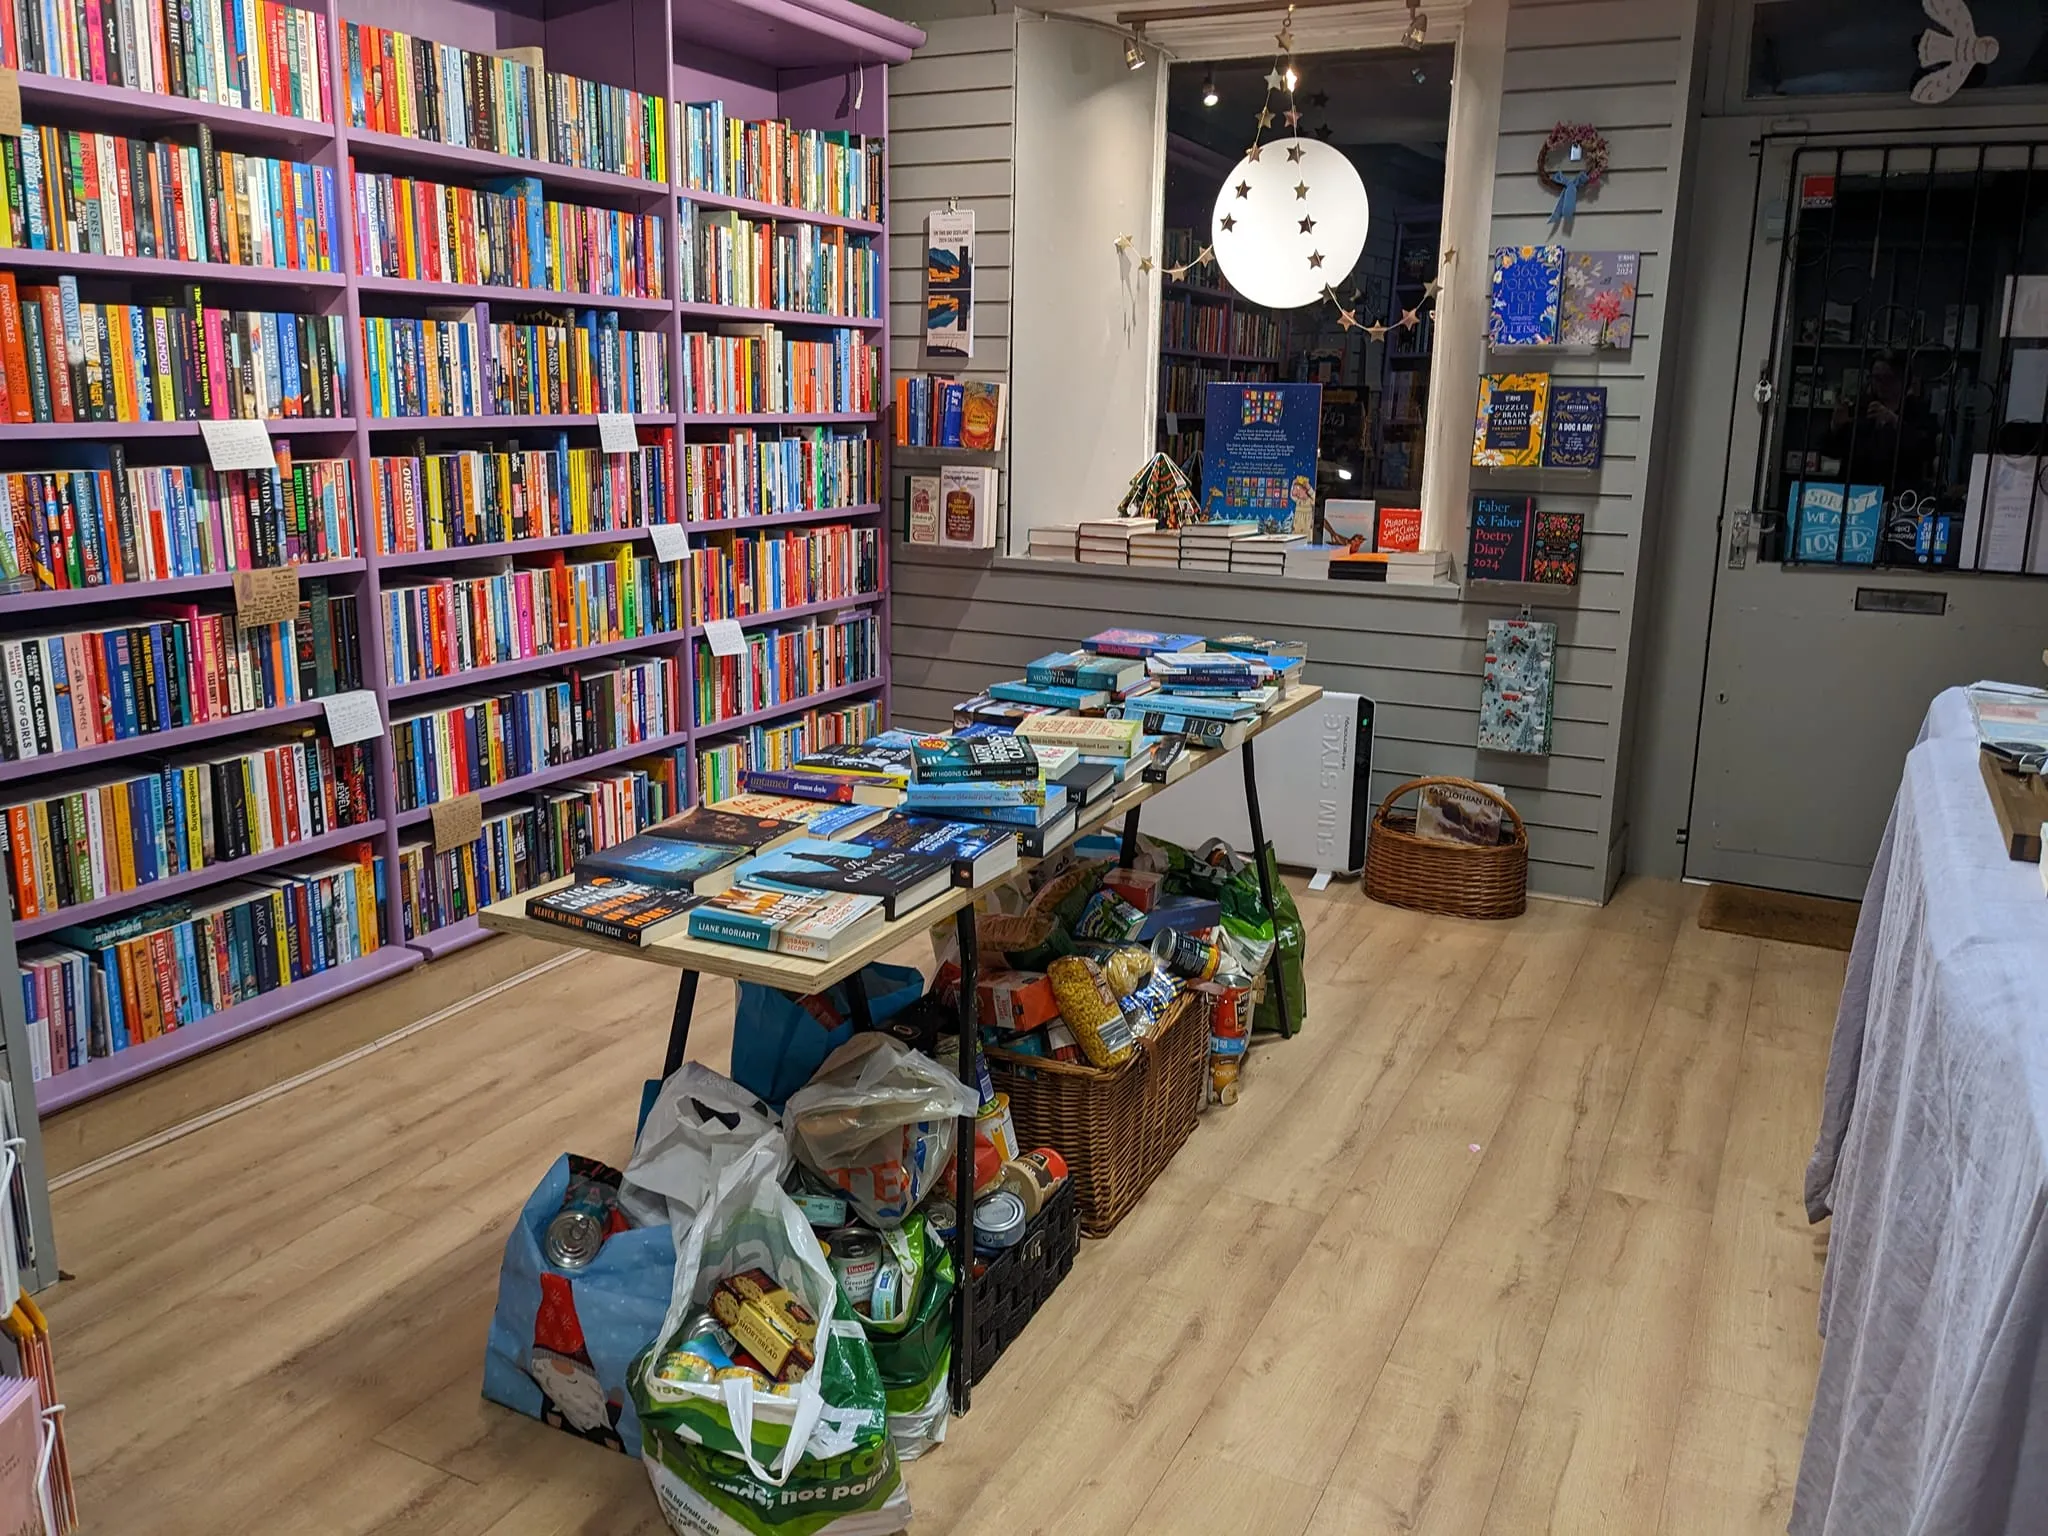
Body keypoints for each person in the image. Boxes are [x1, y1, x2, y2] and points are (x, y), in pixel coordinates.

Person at [1823, 350, 1938, 488]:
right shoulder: (1860, 407)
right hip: (1856, 490)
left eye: (1888, 378)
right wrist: (1836, 427)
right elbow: (1831, 452)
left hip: (1898, 493)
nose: (1881, 384)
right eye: (1876, 378)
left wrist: (1894, 421)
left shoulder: (1918, 410)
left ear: (1903, 379)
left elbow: (1926, 450)